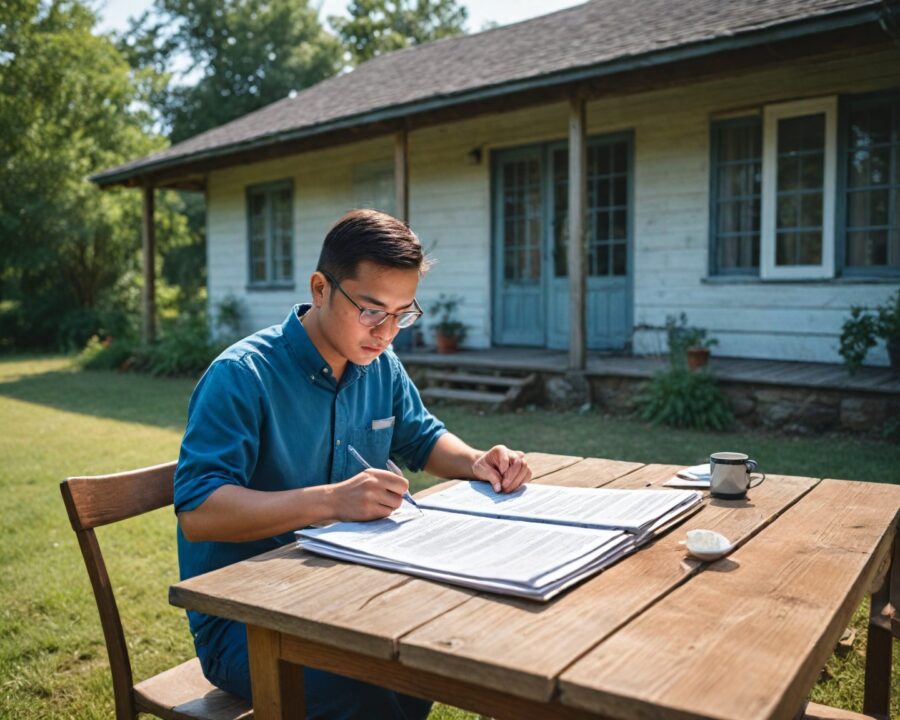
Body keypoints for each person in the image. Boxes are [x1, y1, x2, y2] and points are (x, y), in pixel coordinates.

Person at [173, 208, 533, 719]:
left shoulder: (379, 365)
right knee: (370, 693)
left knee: (435, 655)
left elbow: (422, 437)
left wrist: (478, 461)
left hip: (347, 593)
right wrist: (332, 501)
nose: (386, 332)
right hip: (249, 625)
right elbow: (199, 512)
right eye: (371, 310)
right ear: (321, 288)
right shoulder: (242, 376)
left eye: (402, 313)